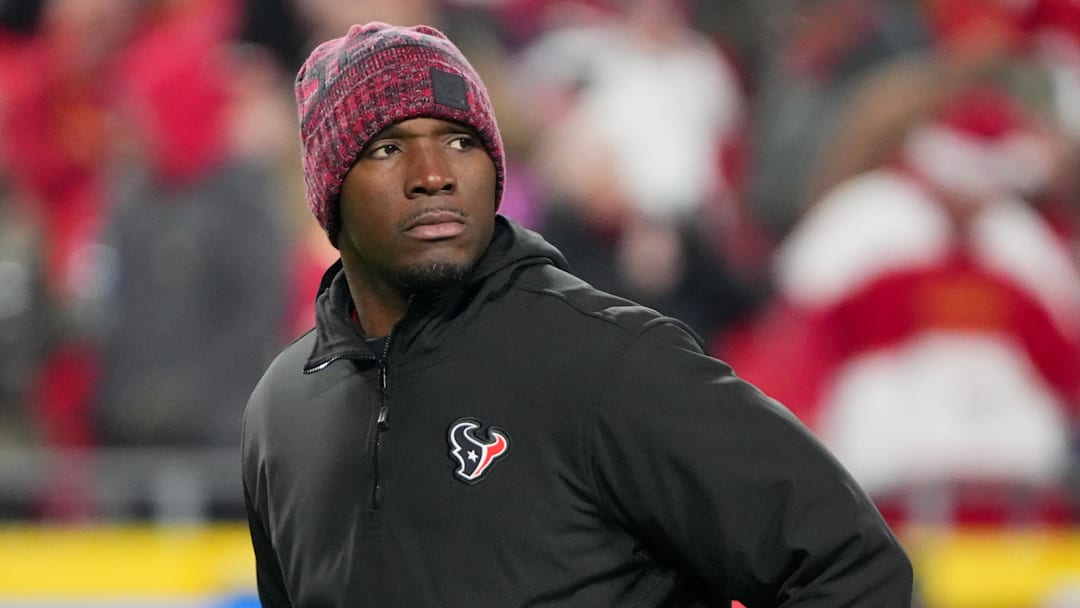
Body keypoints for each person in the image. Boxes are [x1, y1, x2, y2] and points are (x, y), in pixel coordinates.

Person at [241, 21, 914, 607]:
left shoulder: (609, 361)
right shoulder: (282, 411)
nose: (433, 174)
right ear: (328, 189)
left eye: (460, 141)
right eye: (388, 148)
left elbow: (849, 564)